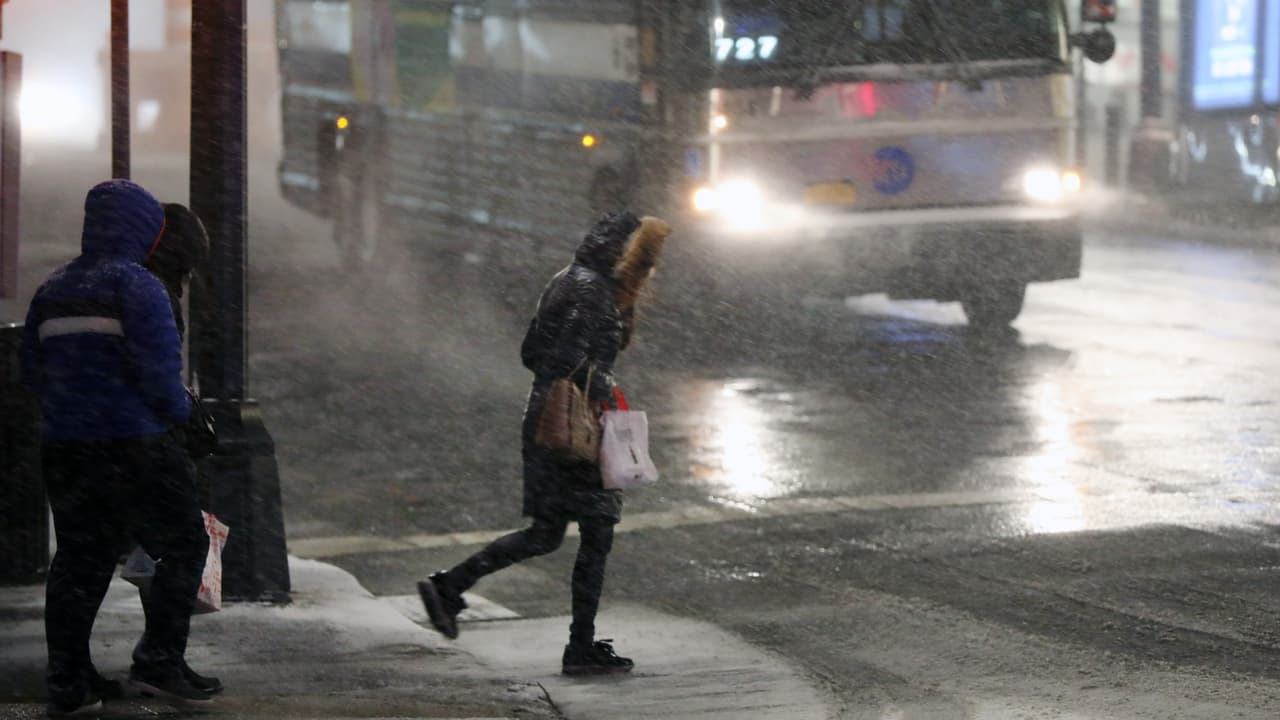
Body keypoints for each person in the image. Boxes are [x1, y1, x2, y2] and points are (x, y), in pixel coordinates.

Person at [417, 211, 672, 676]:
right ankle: (580, 647)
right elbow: (565, 358)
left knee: (547, 533)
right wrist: (602, 388)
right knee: (596, 530)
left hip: (548, 421)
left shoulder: (570, 279)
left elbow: (530, 353)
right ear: (627, 255)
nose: (650, 273)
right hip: (572, 428)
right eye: (647, 263)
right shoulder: (592, 292)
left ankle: (450, 587)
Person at [21, 180, 215, 715]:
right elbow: (160, 379)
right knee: (183, 543)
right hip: (135, 444)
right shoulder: (138, 286)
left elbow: (30, 371)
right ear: (144, 228)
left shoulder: (52, 287)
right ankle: (159, 661)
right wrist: (184, 417)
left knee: (80, 560)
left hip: (67, 446)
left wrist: (73, 408)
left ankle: (70, 679)